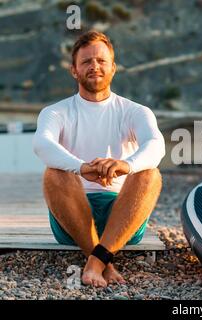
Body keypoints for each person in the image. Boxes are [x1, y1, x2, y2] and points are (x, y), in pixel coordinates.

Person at [33, 30, 165, 287]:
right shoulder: (55, 112)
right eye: (86, 62)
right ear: (74, 70)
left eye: (101, 61)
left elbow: (156, 145)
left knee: (150, 174)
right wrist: (80, 168)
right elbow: (42, 144)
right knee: (54, 172)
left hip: (124, 215)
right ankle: (104, 259)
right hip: (70, 216)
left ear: (113, 68)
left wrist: (125, 165)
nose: (94, 66)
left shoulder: (135, 111)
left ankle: (95, 262)